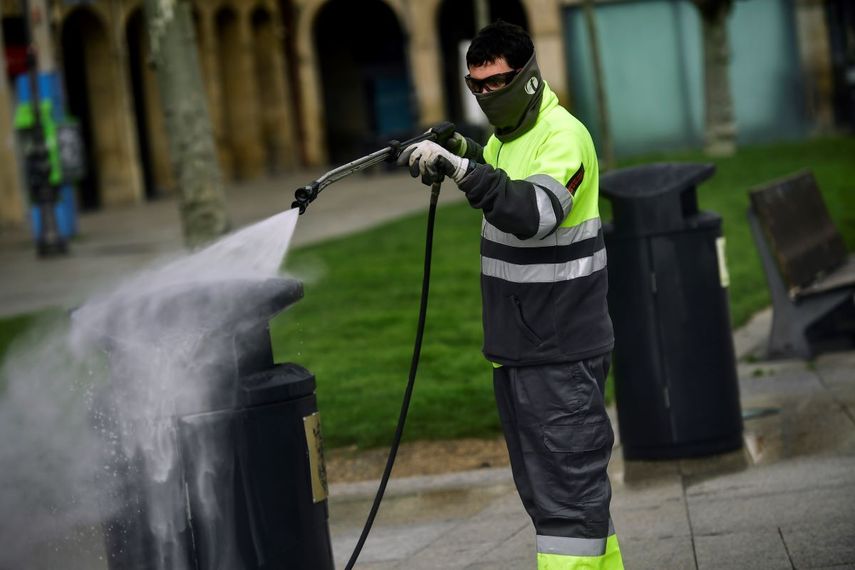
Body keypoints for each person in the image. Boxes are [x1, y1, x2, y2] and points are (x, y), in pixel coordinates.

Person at [397, 20, 624, 570]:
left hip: (561, 352)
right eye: (476, 86)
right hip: (523, 351)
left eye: (496, 83)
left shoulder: (564, 137)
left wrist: (463, 170)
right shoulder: (506, 140)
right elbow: (504, 177)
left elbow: (533, 212)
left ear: (527, 78)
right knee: (565, 503)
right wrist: (461, 149)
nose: (486, 95)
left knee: (567, 508)